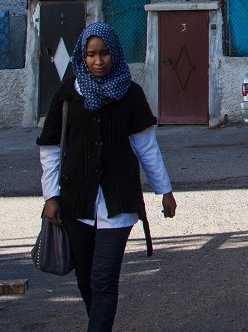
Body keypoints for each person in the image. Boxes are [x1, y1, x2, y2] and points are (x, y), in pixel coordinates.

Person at [38, 23, 178, 332]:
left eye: (104, 54)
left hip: (118, 203)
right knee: (86, 279)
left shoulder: (130, 93)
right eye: (91, 55)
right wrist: (51, 196)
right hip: (76, 205)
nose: (98, 61)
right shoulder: (68, 94)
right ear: (82, 56)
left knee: (103, 279)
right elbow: (50, 147)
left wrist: (164, 191)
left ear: (115, 54)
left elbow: (146, 147)